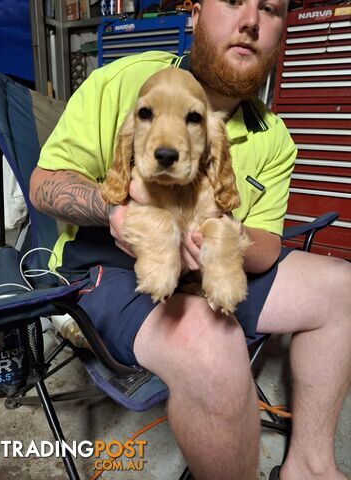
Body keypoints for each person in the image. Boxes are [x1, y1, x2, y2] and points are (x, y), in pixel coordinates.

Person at [29, 0, 351, 478]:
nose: (250, 21)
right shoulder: (126, 81)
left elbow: (266, 244)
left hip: (211, 267)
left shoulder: (274, 136)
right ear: (196, 14)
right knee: (210, 341)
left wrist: (226, 235)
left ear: (282, 29)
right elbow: (42, 184)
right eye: (235, 2)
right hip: (106, 266)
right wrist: (118, 210)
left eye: (270, 8)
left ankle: (309, 465)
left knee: (341, 285)